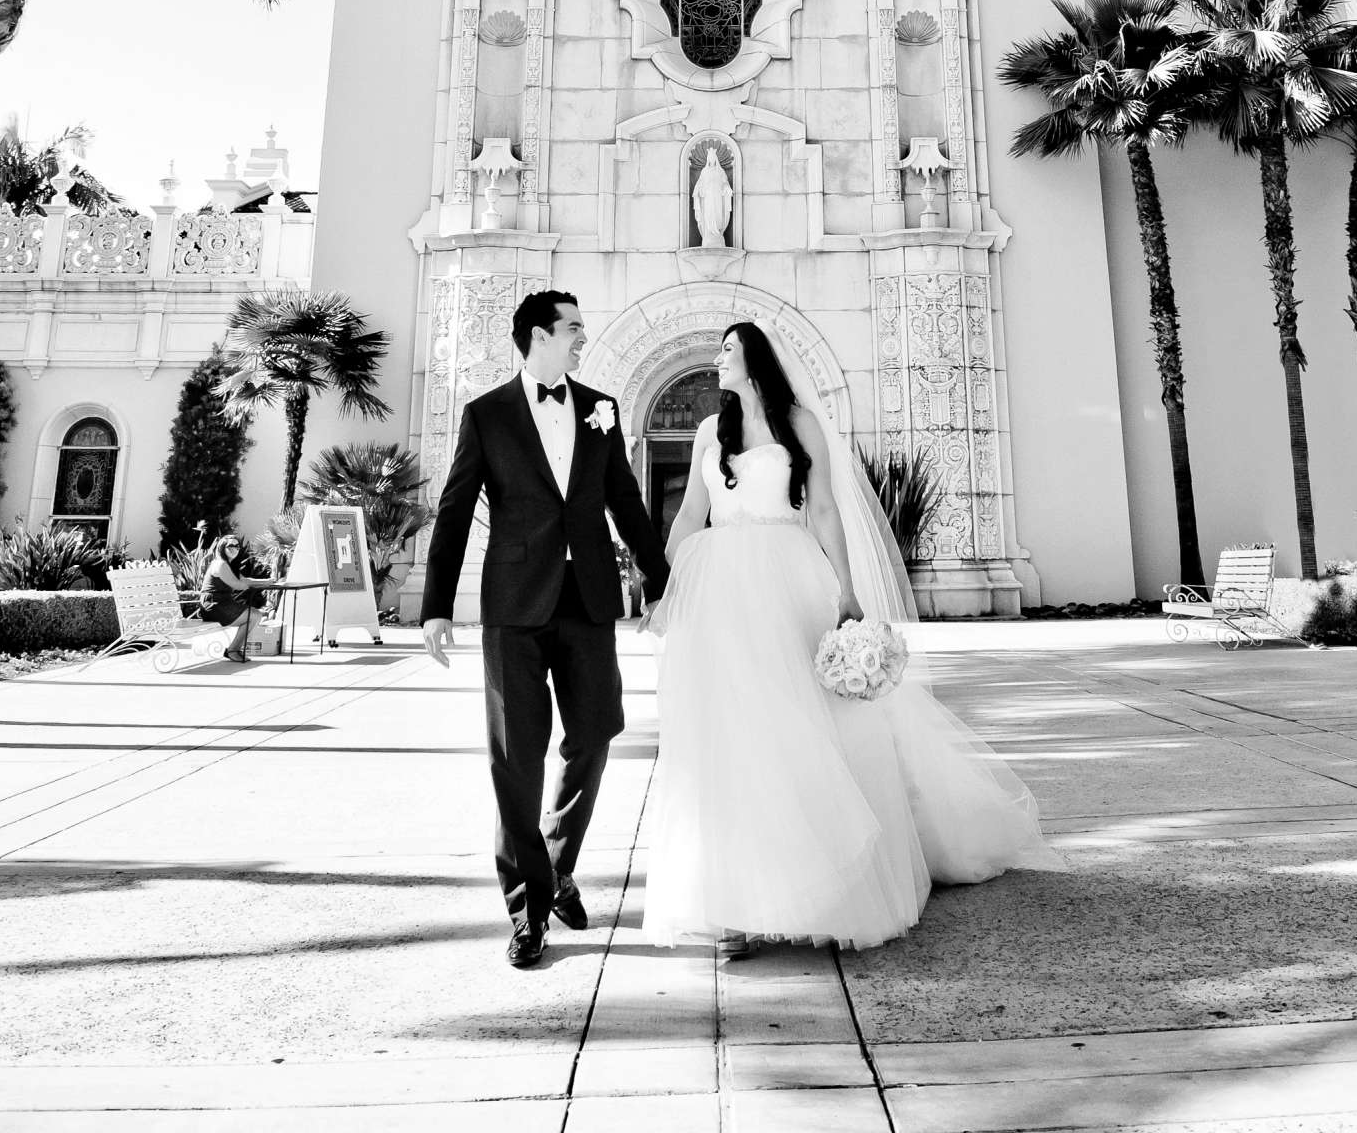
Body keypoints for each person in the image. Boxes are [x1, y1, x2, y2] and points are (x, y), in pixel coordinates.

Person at [641, 319, 1060, 954]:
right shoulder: (709, 431)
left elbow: (826, 509)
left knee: (802, 728)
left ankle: (821, 885)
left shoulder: (800, 425)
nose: (719, 359)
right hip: (721, 592)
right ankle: (732, 901)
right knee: (729, 733)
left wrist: (846, 589)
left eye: (728, 350)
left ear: (756, 359)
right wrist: (668, 591)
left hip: (787, 578)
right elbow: (689, 519)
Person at [420, 289, 669, 969]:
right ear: (536, 335)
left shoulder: (599, 409)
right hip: (513, 606)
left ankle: (557, 866)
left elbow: (625, 498)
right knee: (517, 758)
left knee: (595, 733)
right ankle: (528, 912)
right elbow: (454, 508)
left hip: (586, 599)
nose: (583, 337)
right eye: (573, 327)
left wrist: (662, 579)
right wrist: (436, 604)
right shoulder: (487, 415)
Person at [196, 535, 277, 662]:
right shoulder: (221, 564)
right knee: (254, 615)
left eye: (237, 546)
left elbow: (244, 580)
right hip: (213, 605)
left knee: (255, 615)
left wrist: (267, 581)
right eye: (231, 545)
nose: (235, 548)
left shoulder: (229, 565)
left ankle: (234, 650)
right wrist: (254, 586)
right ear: (222, 547)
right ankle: (233, 650)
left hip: (222, 603)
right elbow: (237, 585)